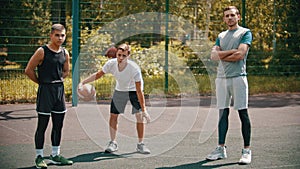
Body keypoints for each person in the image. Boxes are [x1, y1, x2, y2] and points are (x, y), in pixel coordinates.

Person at [79, 43, 151, 154]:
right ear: (116, 54)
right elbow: (98, 75)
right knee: (113, 116)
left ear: (128, 56)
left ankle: (140, 144)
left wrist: (144, 109)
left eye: (124, 56)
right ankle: (113, 142)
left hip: (133, 91)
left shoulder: (134, 69)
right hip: (120, 90)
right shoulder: (111, 64)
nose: (121, 58)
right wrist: (83, 82)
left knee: (139, 116)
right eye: (119, 55)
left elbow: (139, 91)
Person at [206, 6, 253, 164]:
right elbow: (213, 56)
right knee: (222, 114)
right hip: (221, 79)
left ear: (238, 16)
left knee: (242, 114)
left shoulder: (245, 33)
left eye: (232, 15)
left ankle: (246, 151)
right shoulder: (221, 35)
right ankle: (221, 149)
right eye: (227, 16)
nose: (230, 18)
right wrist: (228, 52)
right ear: (224, 19)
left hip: (238, 78)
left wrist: (221, 54)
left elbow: (240, 55)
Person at [25, 23, 73, 168]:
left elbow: (66, 71)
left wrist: (57, 81)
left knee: (58, 125)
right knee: (42, 125)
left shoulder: (65, 53)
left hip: (59, 91)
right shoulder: (42, 51)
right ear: (51, 35)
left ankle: (55, 155)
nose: (60, 38)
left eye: (62, 35)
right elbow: (29, 70)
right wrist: (41, 83)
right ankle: (39, 157)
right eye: (57, 35)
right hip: (45, 91)